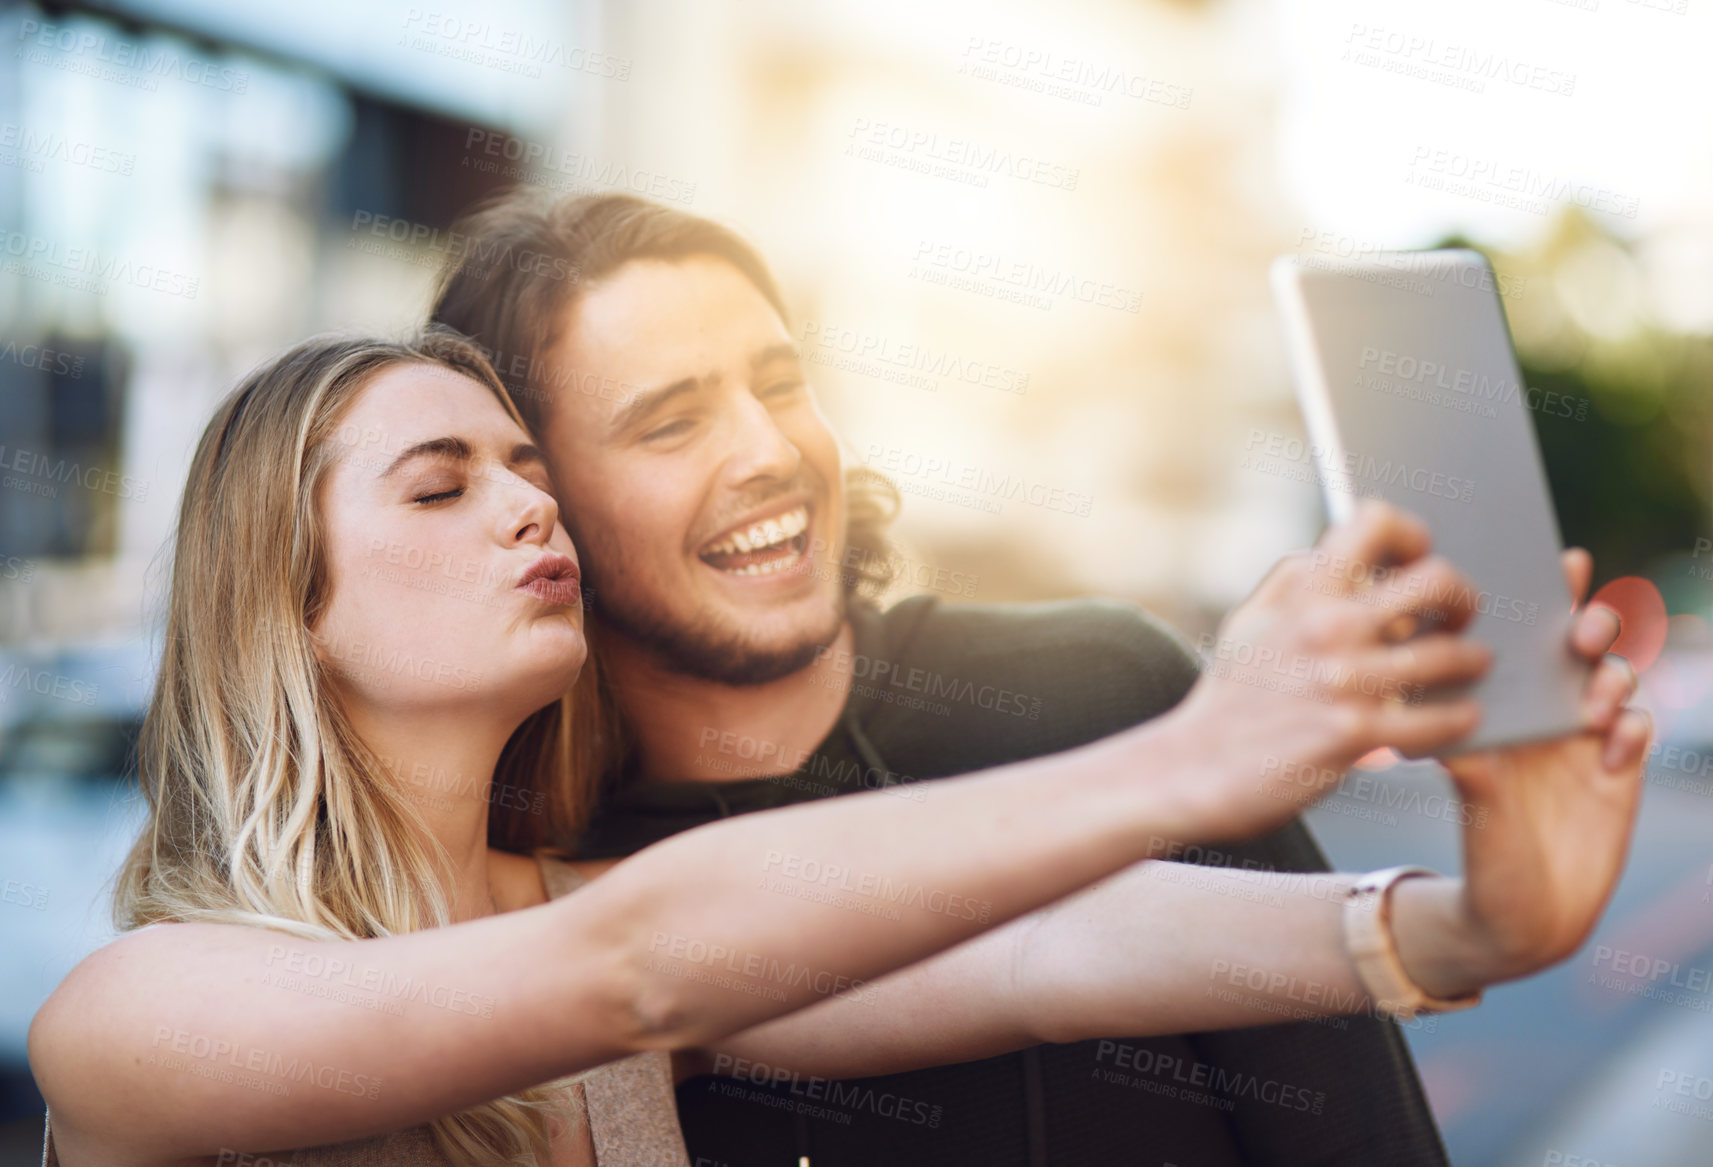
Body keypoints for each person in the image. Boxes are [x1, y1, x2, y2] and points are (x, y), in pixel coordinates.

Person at [26, 327, 1645, 1167]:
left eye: (529, 464)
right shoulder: (143, 1012)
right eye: (441, 484)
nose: (529, 504)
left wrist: (1457, 925)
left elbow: (1033, 954)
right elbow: (627, 966)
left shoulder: (613, 927)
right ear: (281, 602)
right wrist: (1201, 747)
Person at [429, 191, 1650, 1166]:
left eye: (782, 383)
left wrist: (1482, 924)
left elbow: (1345, 1127)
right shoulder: (553, 906)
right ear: (542, 509)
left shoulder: (1099, 685)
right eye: (668, 423)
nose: (768, 449)